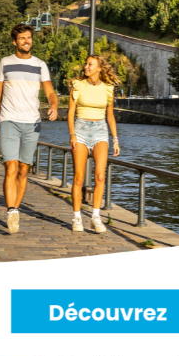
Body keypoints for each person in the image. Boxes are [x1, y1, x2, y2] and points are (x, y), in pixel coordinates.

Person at [0, 23, 58, 234]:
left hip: (32, 122)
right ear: (14, 42)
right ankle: (11, 211)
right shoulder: (5, 62)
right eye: (22, 38)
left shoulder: (40, 65)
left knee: (24, 169)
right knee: (11, 166)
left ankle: (15, 208)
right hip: (9, 119)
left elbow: (50, 92)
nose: (27, 41)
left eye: (29, 37)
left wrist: (53, 106)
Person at [68, 54, 120, 234]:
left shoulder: (108, 88)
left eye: (90, 64)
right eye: (86, 64)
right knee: (79, 177)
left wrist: (115, 139)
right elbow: (70, 113)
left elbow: (110, 116)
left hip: (100, 131)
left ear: (99, 68)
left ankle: (95, 217)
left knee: (100, 177)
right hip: (80, 130)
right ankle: (76, 218)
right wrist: (72, 134)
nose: (86, 67)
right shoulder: (77, 85)